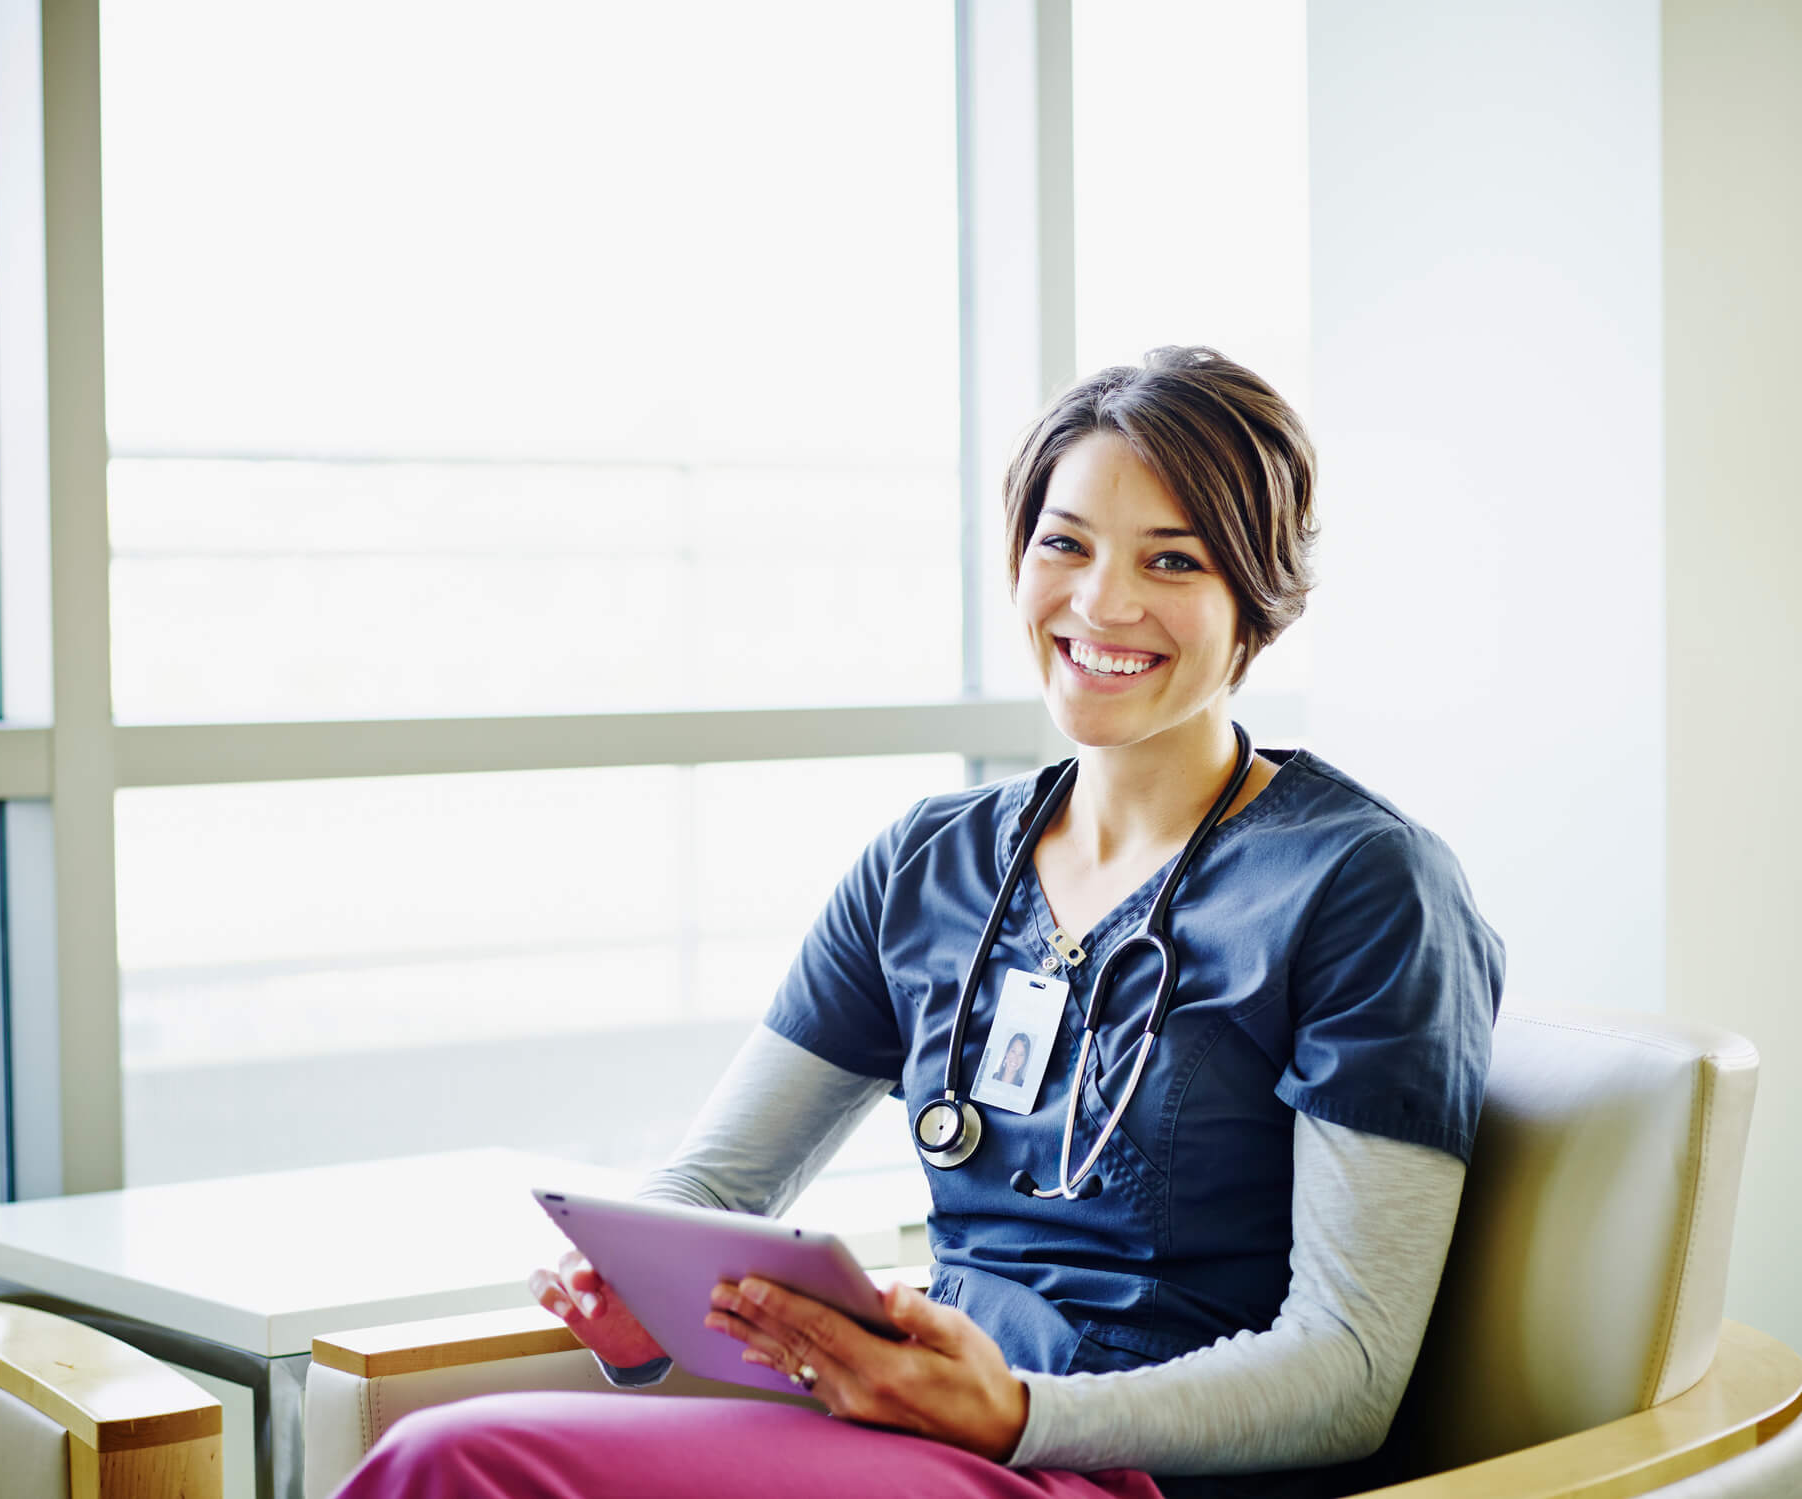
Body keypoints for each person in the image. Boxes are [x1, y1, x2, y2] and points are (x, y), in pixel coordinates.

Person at [332, 348, 1505, 1499]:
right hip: (911, 1436)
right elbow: (714, 1187)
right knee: (456, 1452)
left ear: (1257, 597)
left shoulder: (1363, 884)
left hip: (1123, 1468)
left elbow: (1349, 1369)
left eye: (1173, 558)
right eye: (1064, 542)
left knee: (460, 1460)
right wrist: (640, 1292)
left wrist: (1023, 1416)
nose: (1101, 602)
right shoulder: (928, 863)